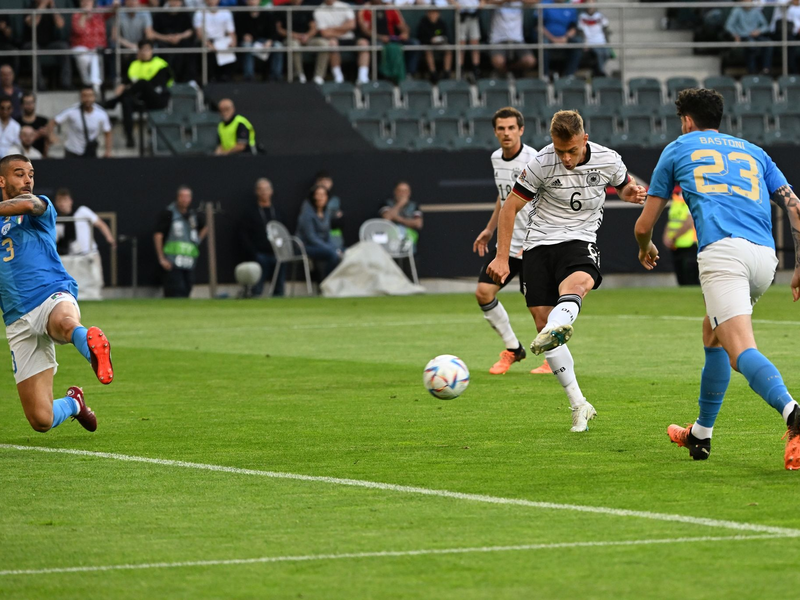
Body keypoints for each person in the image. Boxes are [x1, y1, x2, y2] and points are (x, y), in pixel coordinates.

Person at [633, 87, 800, 469]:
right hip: (764, 258)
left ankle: (793, 412)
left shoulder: (678, 148)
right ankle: (701, 434)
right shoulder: (753, 151)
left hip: (723, 255)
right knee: (712, 333)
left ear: (687, 120)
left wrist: (645, 247)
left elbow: (644, 225)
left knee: (740, 351)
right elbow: (795, 207)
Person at [486, 110, 646, 432]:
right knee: (542, 324)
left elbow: (624, 186)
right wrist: (502, 257)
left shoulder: (607, 159)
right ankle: (579, 404)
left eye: (572, 150)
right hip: (538, 244)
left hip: (580, 239)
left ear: (584, 139)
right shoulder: (541, 162)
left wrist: (629, 193)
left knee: (578, 284)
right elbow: (510, 207)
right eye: (560, 151)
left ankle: (560, 323)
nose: (566, 158)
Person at [0, 154, 114, 435]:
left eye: (31, 174)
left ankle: (94, 354)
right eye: (19, 174)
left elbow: (30, 204)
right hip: (16, 318)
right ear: (1, 181)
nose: (27, 179)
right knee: (41, 420)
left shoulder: (39, 208)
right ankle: (75, 403)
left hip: (50, 293)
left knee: (64, 324)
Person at [473, 107, 549, 376]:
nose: (506, 133)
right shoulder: (496, 158)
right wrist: (489, 229)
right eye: (501, 128)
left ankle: (553, 360)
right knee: (484, 292)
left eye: (511, 128)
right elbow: (505, 197)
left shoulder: (534, 160)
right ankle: (514, 349)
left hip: (533, 245)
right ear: (495, 132)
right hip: (507, 245)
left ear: (521, 130)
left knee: (539, 311)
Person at [103, 40, 173, 149]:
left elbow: (156, 84)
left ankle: (113, 102)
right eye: (142, 50)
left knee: (143, 83)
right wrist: (123, 85)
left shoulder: (160, 64)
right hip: (140, 99)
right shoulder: (134, 64)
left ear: (152, 51)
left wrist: (130, 86)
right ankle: (129, 137)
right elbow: (126, 80)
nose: (145, 52)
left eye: (147, 50)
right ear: (139, 51)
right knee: (126, 100)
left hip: (158, 99)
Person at [153, 185, 208, 298]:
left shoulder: (192, 216)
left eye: (187, 196)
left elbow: (205, 227)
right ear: (177, 197)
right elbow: (158, 235)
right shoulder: (169, 214)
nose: (185, 199)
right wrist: (161, 258)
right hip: (172, 262)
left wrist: (197, 240)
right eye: (182, 196)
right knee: (175, 290)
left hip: (188, 261)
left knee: (187, 289)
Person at [239, 178, 286, 297]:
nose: (264, 192)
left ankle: (279, 295)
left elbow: (285, 231)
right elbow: (243, 234)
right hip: (259, 254)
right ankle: (256, 293)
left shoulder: (278, 211)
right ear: (256, 192)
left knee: (280, 284)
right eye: (261, 189)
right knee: (257, 284)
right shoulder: (250, 212)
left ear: (271, 191)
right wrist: (253, 252)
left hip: (277, 253)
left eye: (266, 189)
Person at [357, 0, 420, 81]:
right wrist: (380, 37)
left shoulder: (390, 7)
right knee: (378, 46)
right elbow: (365, 30)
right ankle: (382, 76)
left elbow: (402, 26)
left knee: (414, 43)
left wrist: (405, 33)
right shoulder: (365, 9)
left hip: (392, 38)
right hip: (375, 38)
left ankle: (409, 74)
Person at [276, 0, 330, 85]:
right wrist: (295, 35)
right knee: (294, 45)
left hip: (306, 38)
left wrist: (307, 36)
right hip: (290, 38)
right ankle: (299, 75)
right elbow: (279, 29)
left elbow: (314, 27)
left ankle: (319, 77)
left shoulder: (306, 8)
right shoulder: (283, 8)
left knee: (324, 44)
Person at [52, 87, 113, 159]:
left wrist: (108, 151)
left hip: (90, 150)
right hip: (72, 150)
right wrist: (51, 135)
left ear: (94, 97)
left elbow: (107, 132)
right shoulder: (72, 111)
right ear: (80, 97)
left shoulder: (101, 113)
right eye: (84, 96)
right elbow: (54, 121)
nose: (88, 99)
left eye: (90, 96)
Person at [23, 0, 72, 91]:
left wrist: (53, 7)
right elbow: (33, 23)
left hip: (49, 43)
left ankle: (66, 83)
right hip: (33, 42)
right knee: (32, 48)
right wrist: (43, 5)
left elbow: (60, 24)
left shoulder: (51, 8)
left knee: (63, 46)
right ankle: (40, 85)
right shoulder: (30, 7)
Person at [296, 184, 342, 279]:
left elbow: (328, 235)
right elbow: (311, 238)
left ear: (327, 197)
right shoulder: (307, 214)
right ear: (313, 196)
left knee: (343, 251)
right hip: (305, 247)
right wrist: (331, 249)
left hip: (321, 246)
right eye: (318, 194)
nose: (321, 198)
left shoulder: (326, 213)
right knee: (332, 254)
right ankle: (326, 282)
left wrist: (335, 248)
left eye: (323, 195)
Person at [53, 188, 116, 257]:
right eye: (59, 201)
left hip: (90, 254)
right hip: (72, 256)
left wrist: (110, 239)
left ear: (70, 201)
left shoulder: (82, 211)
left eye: (65, 200)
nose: (62, 204)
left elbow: (100, 224)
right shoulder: (56, 220)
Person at [151, 0, 199, 84]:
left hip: (181, 40)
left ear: (181, 3)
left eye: (177, 1)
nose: (175, 3)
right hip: (164, 41)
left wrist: (180, 36)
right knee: (162, 50)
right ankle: (167, 79)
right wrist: (166, 38)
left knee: (190, 49)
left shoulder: (185, 14)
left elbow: (190, 31)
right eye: (172, 1)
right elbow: (153, 32)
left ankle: (189, 80)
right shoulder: (160, 14)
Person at [236, 0, 284, 82]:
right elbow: (237, 31)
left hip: (265, 41)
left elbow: (274, 32)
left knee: (278, 46)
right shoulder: (241, 14)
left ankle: (276, 76)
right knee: (246, 46)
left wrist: (270, 41)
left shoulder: (267, 15)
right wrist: (243, 35)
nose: (252, 2)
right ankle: (249, 77)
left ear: (259, 1)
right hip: (250, 42)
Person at [314, 0, 359, 85]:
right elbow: (325, 33)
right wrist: (344, 27)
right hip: (333, 38)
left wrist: (332, 28)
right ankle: (338, 77)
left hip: (350, 38)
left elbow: (352, 25)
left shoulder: (345, 6)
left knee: (364, 43)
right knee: (332, 43)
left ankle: (363, 78)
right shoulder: (318, 11)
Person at [661, 186, 699, 286]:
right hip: (676, 244)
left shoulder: (692, 199)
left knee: (690, 278)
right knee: (681, 277)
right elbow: (671, 221)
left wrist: (673, 237)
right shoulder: (677, 201)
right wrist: (666, 237)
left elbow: (688, 223)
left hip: (690, 244)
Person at [487, 0, 535, 77]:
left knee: (530, 61)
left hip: (517, 39)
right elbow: (488, 1)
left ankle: (511, 70)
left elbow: (536, 1)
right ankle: (504, 74)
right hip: (498, 39)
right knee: (498, 61)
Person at [193, 0, 237, 82]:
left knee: (231, 50)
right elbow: (199, 34)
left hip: (222, 41)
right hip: (207, 41)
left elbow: (231, 33)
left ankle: (227, 78)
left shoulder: (226, 13)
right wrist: (208, 44)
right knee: (208, 52)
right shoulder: (199, 13)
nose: (211, 1)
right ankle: (211, 78)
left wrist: (233, 43)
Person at [70, 0, 109, 93]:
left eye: (88, 1)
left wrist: (115, 5)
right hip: (80, 46)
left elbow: (112, 11)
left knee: (96, 53)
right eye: (83, 1)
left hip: (97, 47)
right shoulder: (76, 15)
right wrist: (84, 15)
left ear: (93, 2)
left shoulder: (98, 13)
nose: (86, 3)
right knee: (83, 58)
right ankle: (87, 82)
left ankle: (94, 84)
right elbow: (78, 31)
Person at [724, 0, 772, 75]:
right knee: (751, 45)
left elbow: (766, 26)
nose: (747, 2)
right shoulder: (736, 11)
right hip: (743, 36)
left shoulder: (756, 11)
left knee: (768, 43)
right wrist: (735, 35)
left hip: (755, 35)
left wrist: (759, 31)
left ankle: (766, 70)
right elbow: (728, 26)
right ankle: (752, 72)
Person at [541, 0, 582, 78]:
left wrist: (566, 37)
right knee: (543, 43)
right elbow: (538, 26)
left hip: (564, 38)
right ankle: (545, 75)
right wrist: (553, 38)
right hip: (548, 37)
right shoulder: (544, 4)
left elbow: (573, 27)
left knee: (578, 42)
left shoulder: (570, 7)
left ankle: (569, 75)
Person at [379, 181, 423, 253]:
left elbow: (418, 224)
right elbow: (387, 218)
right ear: (395, 192)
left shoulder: (413, 205)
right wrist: (400, 204)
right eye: (400, 191)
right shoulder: (387, 203)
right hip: (390, 239)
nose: (402, 194)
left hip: (408, 239)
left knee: (405, 232)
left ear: (409, 193)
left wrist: (398, 219)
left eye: (405, 191)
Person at [417, 9, 453, 83]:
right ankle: (433, 74)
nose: (433, 15)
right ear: (427, 13)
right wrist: (430, 40)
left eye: (435, 13)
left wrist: (441, 39)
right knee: (428, 51)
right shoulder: (423, 23)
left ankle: (446, 73)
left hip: (440, 45)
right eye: (431, 13)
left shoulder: (441, 23)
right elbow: (421, 37)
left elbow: (445, 35)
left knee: (448, 50)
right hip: (428, 45)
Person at [578, 0, 612, 77]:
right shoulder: (582, 16)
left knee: (606, 53)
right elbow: (581, 31)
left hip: (601, 41)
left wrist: (608, 42)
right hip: (590, 42)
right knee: (599, 53)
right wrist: (584, 42)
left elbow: (605, 28)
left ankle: (600, 71)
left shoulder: (600, 16)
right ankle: (601, 73)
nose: (590, 6)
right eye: (588, 3)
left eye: (592, 3)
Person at [314, 170, 344, 251]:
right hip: (319, 237)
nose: (324, 184)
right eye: (322, 181)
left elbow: (339, 219)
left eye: (327, 181)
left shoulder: (335, 200)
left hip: (334, 235)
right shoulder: (310, 202)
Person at [19, 93, 52, 158]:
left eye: (31, 102)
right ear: (22, 105)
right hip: (21, 156)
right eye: (27, 103)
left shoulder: (43, 121)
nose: (29, 105)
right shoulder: (16, 123)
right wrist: (37, 135)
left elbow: (50, 140)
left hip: (39, 157)